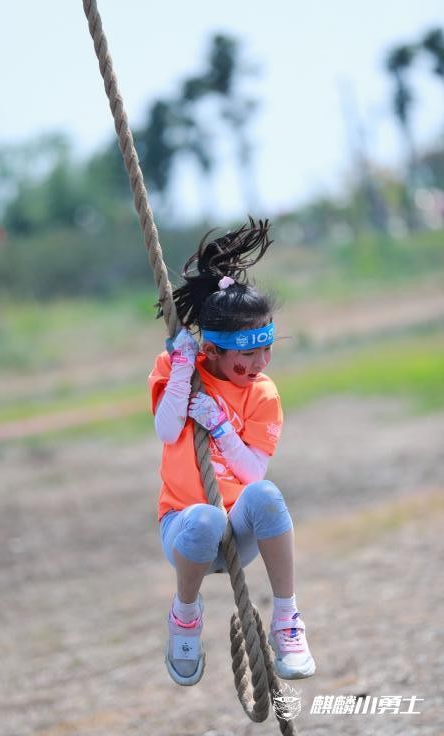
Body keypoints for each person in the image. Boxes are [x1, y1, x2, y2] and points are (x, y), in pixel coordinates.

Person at [148, 218, 316, 686]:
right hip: (184, 526)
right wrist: (182, 370)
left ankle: (287, 619)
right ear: (215, 349)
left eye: (267, 348)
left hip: (238, 531)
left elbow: (252, 470)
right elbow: (166, 431)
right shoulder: (180, 368)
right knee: (206, 517)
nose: (259, 363)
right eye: (248, 352)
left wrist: (220, 427)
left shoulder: (262, 393)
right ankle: (185, 616)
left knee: (266, 494)